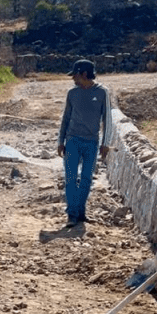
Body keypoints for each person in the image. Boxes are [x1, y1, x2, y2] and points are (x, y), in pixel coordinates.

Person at [58, 59, 114, 228]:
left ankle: (81, 211)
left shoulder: (103, 92)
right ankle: (72, 214)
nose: (73, 79)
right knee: (70, 178)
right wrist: (60, 141)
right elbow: (66, 118)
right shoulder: (72, 94)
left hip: (92, 142)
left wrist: (105, 143)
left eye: (75, 75)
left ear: (83, 74)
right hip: (73, 140)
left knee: (86, 179)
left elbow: (108, 120)